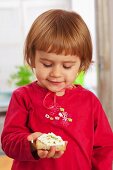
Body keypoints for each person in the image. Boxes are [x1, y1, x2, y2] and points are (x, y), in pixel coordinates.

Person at [1, 9, 113, 170]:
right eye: (47, 64)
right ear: (32, 58)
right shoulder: (23, 97)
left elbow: (103, 148)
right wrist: (32, 143)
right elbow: (9, 142)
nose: (56, 73)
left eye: (67, 66)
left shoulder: (89, 101)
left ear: (82, 64)